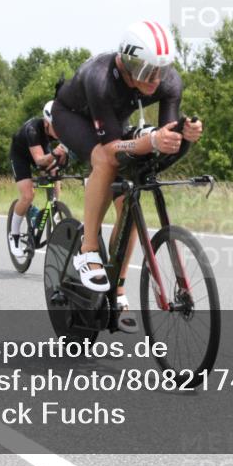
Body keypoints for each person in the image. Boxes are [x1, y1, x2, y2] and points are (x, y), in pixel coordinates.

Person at [52, 21, 203, 333]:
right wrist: (149, 141)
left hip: (111, 121)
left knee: (129, 201)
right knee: (103, 162)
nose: (155, 80)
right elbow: (109, 150)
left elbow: (165, 144)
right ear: (125, 61)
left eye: (160, 70)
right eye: (146, 72)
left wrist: (184, 138)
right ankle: (88, 247)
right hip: (71, 116)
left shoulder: (168, 81)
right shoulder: (100, 77)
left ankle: (117, 291)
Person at [8, 101, 67, 256]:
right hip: (21, 156)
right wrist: (55, 153)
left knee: (54, 173)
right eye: (56, 126)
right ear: (47, 123)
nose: (60, 129)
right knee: (28, 195)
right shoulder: (33, 129)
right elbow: (40, 160)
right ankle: (13, 236)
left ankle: (54, 207)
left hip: (41, 149)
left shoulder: (58, 128)